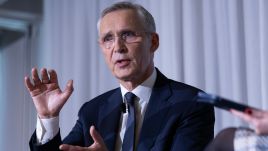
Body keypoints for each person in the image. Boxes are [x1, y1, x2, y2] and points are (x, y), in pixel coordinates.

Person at [25, 2, 215, 151]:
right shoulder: (92, 111)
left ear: (153, 42)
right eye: (108, 39)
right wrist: (48, 118)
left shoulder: (191, 103)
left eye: (128, 35)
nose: (118, 47)